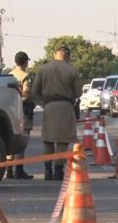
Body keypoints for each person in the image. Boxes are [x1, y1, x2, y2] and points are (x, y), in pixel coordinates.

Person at [31, 45, 82, 181]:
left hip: (48, 106)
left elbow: (35, 90)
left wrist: (43, 102)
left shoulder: (43, 69)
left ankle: (47, 170)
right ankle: (58, 171)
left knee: (48, 140)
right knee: (62, 141)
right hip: (65, 107)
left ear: (55, 54)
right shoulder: (72, 70)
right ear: (68, 56)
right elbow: (78, 92)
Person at [6, 51, 35, 180]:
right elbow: (27, 92)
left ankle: (8, 170)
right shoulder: (25, 76)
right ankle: (19, 170)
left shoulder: (9, 75)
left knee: (11, 139)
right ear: (25, 62)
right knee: (22, 140)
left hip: (10, 110)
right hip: (23, 110)